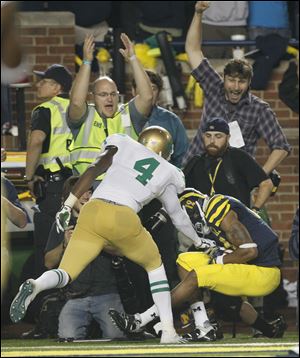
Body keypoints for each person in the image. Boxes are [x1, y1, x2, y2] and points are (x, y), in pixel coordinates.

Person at [10, 126, 215, 344]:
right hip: (122, 214)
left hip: (92, 211)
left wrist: (68, 206)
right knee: (155, 266)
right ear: (165, 150)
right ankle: (168, 331)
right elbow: (178, 217)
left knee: (66, 273)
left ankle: (37, 284)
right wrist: (197, 240)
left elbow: (93, 170)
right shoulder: (168, 171)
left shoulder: (123, 143)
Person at [109, 188, 287, 341]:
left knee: (198, 276)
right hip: (249, 265)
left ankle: (141, 320)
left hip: (265, 272)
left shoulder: (216, 208)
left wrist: (218, 260)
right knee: (186, 261)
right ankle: (205, 325)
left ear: (192, 209)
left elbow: (249, 251)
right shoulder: (205, 218)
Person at [183, 1, 291, 174]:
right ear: (224, 79)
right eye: (231, 80)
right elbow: (192, 49)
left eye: (241, 81)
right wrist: (198, 14)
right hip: (196, 174)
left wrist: (259, 176)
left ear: (249, 83)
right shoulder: (213, 86)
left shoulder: (259, 109)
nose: (235, 86)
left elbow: (281, 146)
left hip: (234, 184)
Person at [44, 176, 124, 340]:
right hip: (75, 297)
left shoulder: (104, 219)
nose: (87, 196)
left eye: (89, 192)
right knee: (67, 338)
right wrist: (65, 244)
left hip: (107, 294)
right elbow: (49, 262)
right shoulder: (62, 223)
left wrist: (98, 240)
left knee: (116, 337)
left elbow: (122, 251)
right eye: (82, 192)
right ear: (69, 197)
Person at [67, 33, 153, 180]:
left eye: (113, 94)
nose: (109, 98)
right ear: (92, 96)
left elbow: (147, 96)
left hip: (124, 188)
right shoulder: (85, 115)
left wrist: (133, 59)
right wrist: (87, 62)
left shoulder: (127, 113)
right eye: (103, 94)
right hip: (89, 189)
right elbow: (75, 101)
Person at [24, 63, 74, 277]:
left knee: (46, 250)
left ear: (56, 87)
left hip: (53, 188)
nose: (39, 86)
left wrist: (28, 176)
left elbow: (37, 140)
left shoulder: (46, 110)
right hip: (79, 187)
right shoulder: (82, 109)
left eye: (43, 82)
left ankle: (42, 304)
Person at [184, 117, 273, 209]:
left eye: (218, 136)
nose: (212, 141)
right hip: (203, 219)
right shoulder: (196, 162)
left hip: (237, 217)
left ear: (228, 137)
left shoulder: (239, 157)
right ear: (203, 136)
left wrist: (255, 210)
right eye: (208, 136)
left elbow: (266, 184)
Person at [132, 70, 189, 168]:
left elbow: (182, 158)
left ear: (159, 93)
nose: (148, 92)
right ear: (133, 90)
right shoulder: (120, 116)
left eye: (153, 88)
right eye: (143, 87)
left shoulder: (172, 121)